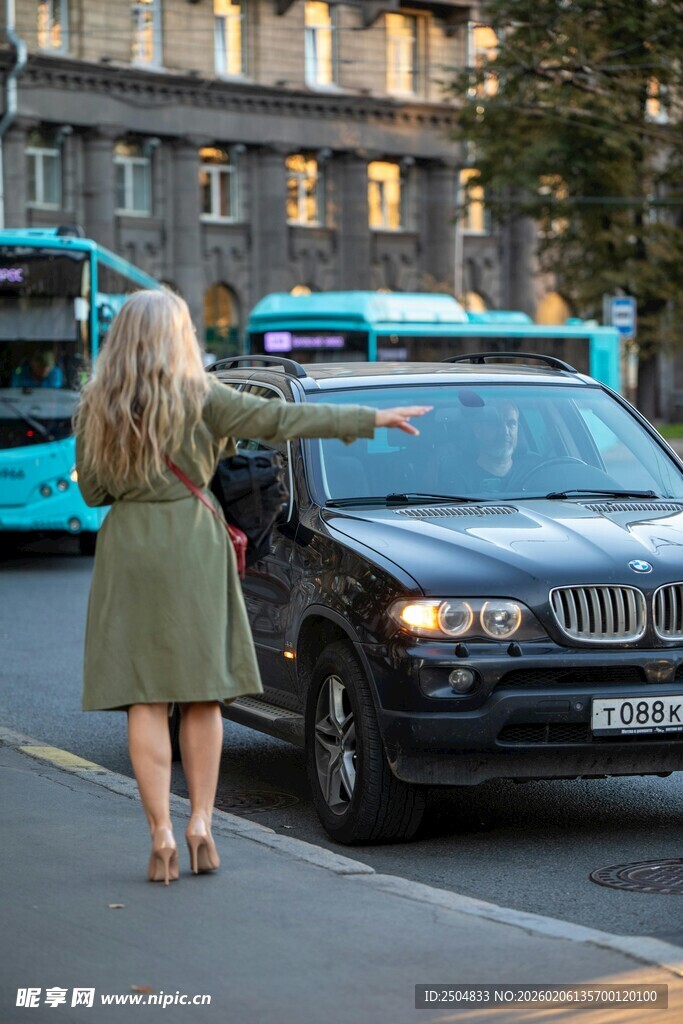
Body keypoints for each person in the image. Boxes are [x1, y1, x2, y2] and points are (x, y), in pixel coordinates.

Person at [74, 289, 430, 885]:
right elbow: (282, 420)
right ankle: (202, 825)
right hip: (194, 544)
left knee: (145, 698)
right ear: (179, 336)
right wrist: (369, 419)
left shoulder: (98, 405)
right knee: (201, 692)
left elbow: (93, 495)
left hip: (129, 547)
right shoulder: (202, 396)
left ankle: (160, 830)